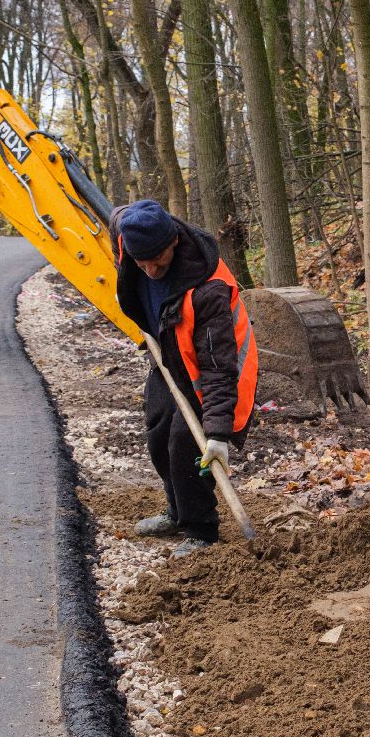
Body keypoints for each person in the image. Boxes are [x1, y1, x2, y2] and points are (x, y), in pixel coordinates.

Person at [110, 200, 257, 557]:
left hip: (213, 367)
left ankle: (201, 529)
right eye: (140, 261)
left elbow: (220, 368)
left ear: (173, 242)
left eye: (156, 260)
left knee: (185, 443)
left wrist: (218, 435)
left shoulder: (208, 289)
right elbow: (115, 216)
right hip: (170, 353)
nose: (149, 269)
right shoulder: (129, 240)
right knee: (159, 431)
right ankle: (176, 511)